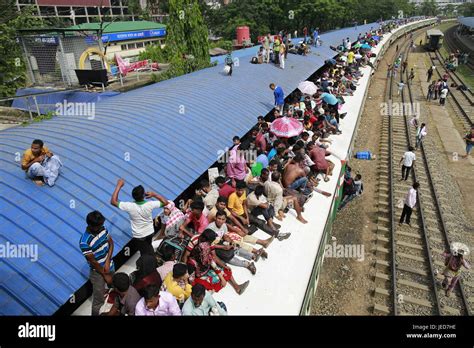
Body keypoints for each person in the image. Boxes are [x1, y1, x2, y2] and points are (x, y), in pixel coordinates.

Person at [111, 178, 168, 256]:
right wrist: (154, 194)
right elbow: (165, 202)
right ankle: (150, 259)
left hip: (139, 236)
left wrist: (119, 185)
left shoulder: (129, 206)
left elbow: (113, 201)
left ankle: (148, 262)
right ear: (144, 195)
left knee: (144, 252)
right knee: (148, 247)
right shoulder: (150, 204)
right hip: (149, 232)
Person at [184, 229, 249, 294]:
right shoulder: (192, 262)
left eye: (207, 250)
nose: (207, 252)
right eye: (206, 251)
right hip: (199, 274)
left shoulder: (207, 251)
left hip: (206, 269)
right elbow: (191, 279)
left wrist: (222, 275)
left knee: (226, 269)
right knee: (202, 284)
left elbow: (213, 258)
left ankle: (236, 286)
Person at [79, 210, 114, 316]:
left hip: (110, 266)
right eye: (99, 226)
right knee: (98, 301)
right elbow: (93, 261)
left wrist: (108, 261)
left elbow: (111, 244)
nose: (101, 227)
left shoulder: (103, 229)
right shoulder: (84, 242)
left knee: (114, 289)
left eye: (102, 225)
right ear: (90, 225)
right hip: (98, 273)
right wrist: (105, 274)